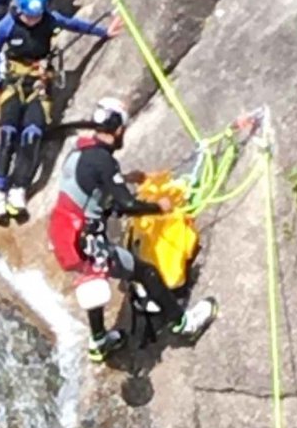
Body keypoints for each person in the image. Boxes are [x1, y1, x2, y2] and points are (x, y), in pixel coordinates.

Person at [47, 97, 216, 362]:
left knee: (91, 277)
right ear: (118, 131)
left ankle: (99, 341)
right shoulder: (103, 161)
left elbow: (89, 189)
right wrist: (159, 207)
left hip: (65, 238)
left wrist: (123, 180)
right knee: (146, 272)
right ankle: (183, 325)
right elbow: (125, 204)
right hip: (88, 244)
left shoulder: (79, 152)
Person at [0, 0, 117, 222]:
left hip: (39, 84)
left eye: (37, 15)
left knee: (32, 135)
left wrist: (104, 32)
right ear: (21, 9)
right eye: (30, 16)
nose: (34, 20)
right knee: (8, 134)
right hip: (14, 83)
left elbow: (75, 25)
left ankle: (19, 187)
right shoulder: (7, 25)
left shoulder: (49, 18)